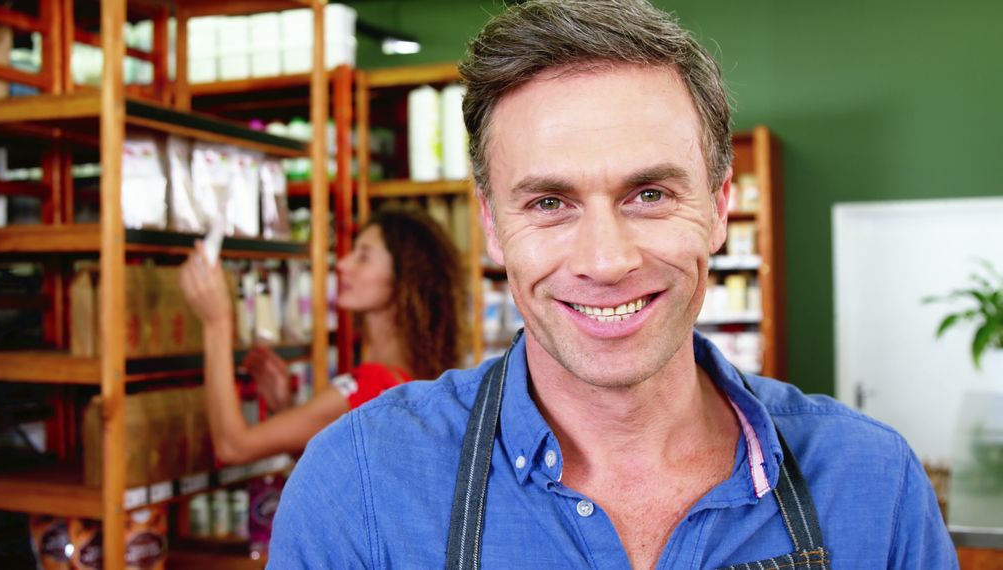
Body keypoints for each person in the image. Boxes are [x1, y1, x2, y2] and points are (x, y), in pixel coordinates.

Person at [269, 0, 957, 568]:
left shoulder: (875, 486)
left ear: (719, 208)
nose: (605, 259)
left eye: (649, 194)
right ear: (494, 228)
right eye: (548, 203)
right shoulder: (358, 486)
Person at [179, 207, 466, 464]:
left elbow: (233, 446)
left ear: (405, 278)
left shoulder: (367, 385)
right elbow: (339, 466)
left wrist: (216, 322)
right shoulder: (408, 376)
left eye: (363, 256)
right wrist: (288, 410)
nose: (342, 264)